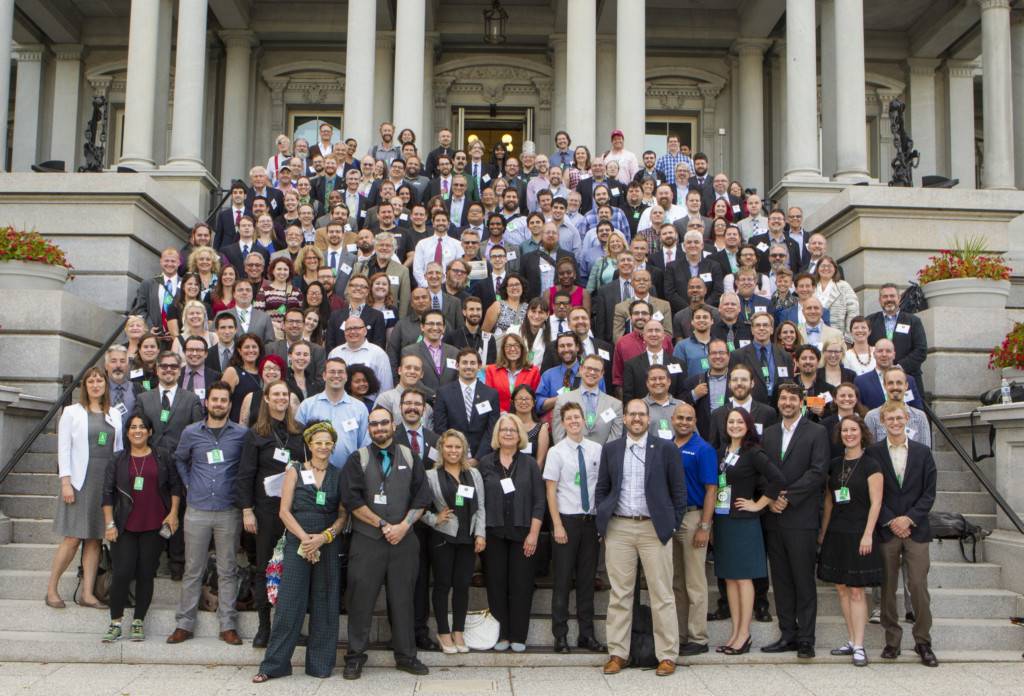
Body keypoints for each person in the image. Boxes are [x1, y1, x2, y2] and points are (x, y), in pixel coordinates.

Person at [596, 399, 687, 677]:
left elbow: (678, 493)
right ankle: (617, 653)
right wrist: (604, 521)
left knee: (662, 594)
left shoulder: (666, 449)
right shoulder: (611, 449)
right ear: (624, 419)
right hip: (619, 529)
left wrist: (670, 526)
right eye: (632, 414)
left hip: (653, 529)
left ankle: (667, 655)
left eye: (641, 414)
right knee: (620, 595)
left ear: (649, 419)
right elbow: (602, 488)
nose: (636, 418)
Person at [339, 407, 432, 679]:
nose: (379, 428)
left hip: (403, 541)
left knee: (403, 601)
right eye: (374, 424)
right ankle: (355, 657)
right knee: (360, 601)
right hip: (368, 541)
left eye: (384, 423)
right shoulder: (358, 459)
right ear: (368, 428)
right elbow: (352, 500)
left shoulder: (410, 457)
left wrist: (403, 526)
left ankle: (406, 656)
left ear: (393, 425)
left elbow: (422, 498)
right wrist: (381, 525)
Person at [252, 421, 347, 682]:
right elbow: (283, 511)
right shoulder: (294, 470)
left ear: (334, 445)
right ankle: (274, 665)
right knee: (289, 604)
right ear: (309, 444)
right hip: (298, 541)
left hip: (327, 542)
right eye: (318, 442)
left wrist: (325, 537)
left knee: (325, 603)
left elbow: (343, 515)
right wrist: (306, 540)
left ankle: (319, 665)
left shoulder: (339, 474)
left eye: (328, 442)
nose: (323, 447)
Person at [168, 381, 249, 646]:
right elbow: (179, 458)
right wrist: (189, 482)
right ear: (207, 402)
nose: (218, 404)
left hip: (228, 510)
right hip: (197, 509)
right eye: (214, 399)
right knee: (193, 568)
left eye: (223, 400)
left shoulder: (241, 434)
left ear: (229, 404)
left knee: (227, 568)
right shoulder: (191, 432)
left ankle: (227, 624)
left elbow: (248, 467)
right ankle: (184, 623)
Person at [760, 382, 830, 658]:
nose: (787, 402)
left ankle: (806, 638)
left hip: (801, 517)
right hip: (775, 518)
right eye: (783, 398)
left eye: (792, 398)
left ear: (801, 402)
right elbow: (762, 470)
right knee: (781, 580)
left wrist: (787, 496)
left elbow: (818, 471)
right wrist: (772, 498)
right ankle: (787, 633)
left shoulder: (817, 432)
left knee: (803, 580)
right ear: (778, 402)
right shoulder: (768, 434)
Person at [867, 400, 939, 667]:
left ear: (907, 419)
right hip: (887, 529)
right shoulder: (873, 453)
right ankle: (892, 641)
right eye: (890, 419)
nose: (895, 423)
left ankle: (923, 641)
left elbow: (929, 492)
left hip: (916, 529)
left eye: (899, 418)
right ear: (882, 423)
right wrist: (890, 520)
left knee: (918, 586)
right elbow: (873, 492)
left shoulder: (922, 452)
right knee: (887, 587)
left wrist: (909, 519)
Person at [47, 367, 124, 609]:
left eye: (100, 380)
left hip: (105, 483)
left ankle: (88, 594)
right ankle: (51, 590)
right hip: (80, 482)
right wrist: (65, 481)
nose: (95, 384)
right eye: (91, 381)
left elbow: (119, 448)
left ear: (105, 385)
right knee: (72, 539)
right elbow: (64, 449)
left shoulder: (114, 413)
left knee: (94, 540)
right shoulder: (71, 412)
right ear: (85, 386)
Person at [100, 413, 181, 642]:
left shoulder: (163, 456)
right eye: (133, 427)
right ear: (127, 433)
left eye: (142, 427)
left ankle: (138, 621)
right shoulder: (117, 460)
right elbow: (107, 494)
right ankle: (115, 622)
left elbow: (175, 486)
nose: (138, 431)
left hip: (154, 525)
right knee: (122, 573)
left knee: (146, 573)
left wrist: (173, 513)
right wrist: (109, 524)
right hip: (124, 525)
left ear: (150, 431)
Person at [236, 380, 306, 648]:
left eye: (284, 395)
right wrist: (246, 511)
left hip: (294, 511)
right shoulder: (256, 434)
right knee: (265, 567)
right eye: (275, 394)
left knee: (293, 569)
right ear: (265, 399)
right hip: (266, 512)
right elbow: (245, 475)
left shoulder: (298, 432)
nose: (280, 399)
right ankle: (264, 628)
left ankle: (290, 626)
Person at [712, 408, 785, 655]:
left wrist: (758, 504)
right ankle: (735, 632)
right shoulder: (723, 451)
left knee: (743, 578)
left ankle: (745, 634)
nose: (734, 425)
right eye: (731, 421)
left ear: (748, 425)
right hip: (724, 520)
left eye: (739, 422)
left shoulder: (754, 452)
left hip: (744, 522)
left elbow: (777, 479)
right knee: (730, 578)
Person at [817, 415, 883, 667]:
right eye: (845, 430)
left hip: (860, 533)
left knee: (856, 590)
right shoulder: (835, 464)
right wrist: (823, 532)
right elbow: (829, 500)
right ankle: (851, 639)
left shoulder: (871, 464)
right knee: (841, 588)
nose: (849, 434)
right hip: (836, 532)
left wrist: (868, 534)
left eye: (853, 429)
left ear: (862, 432)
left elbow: (876, 503)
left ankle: (860, 645)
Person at [478, 413, 545, 652]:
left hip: (523, 533)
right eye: (504, 429)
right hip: (493, 532)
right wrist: (480, 534)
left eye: (513, 430)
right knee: (496, 585)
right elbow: (479, 501)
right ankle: (501, 634)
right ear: (497, 434)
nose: (508, 433)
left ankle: (518, 635)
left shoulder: (529, 464)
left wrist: (534, 534)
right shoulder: (485, 463)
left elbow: (539, 501)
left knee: (521, 585)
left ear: (520, 436)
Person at [544, 402, 605, 654]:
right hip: (566, 522)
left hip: (589, 523)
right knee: (561, 581)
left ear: (584, 420)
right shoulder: (556, 452)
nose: (574, 422)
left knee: (586, 581)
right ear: (563, 422)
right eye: (569, 418)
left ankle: (586, 635)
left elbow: (602, 486)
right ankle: (560, 636)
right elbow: (550, 491)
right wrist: (557, 524)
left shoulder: (596, 450)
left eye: (577, 417)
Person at [421, 429, 486, 654]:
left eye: (458, 447)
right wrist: (434, 519)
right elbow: (419, 508)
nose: (453, 451)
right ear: (441, 449)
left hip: (467, 539)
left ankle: (458, 631)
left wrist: (480, 534)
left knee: (462, 587)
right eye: (449, 446)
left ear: (464, 449)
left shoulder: (474, 475)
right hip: (443, 538)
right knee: (442, 586)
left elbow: (481, 507)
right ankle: (443, 631)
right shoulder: (431, 476)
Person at [670, 402, 718, 656]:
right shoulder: (666, 446)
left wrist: (704, 526)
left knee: (695, 582)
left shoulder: (703, 449)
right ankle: (679, 634)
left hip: (692, 517)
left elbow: (712, 489)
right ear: (672, 419)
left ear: (695, 421)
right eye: (680, 418)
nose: (684, 422)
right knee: (676, 582)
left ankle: (698, 637)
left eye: (689, 418)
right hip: (670, 519)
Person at [295, 358, 371, 469]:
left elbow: (364, 445)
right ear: (324, 375)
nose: (336, 375)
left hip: (348, 473)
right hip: (314, 474)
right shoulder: (307, 406)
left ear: (346, 377)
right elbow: (297, 443)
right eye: (332, 372)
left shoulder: (359, 408)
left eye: (340, 372)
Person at [433, 348, 501, 463]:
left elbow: (492, 430)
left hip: (483, 459)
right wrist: (455, 453)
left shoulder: (491, 394)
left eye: (473, 363)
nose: (468, 366)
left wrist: (478, 458)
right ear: (457, 365)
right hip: (452, 458)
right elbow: (440, 428)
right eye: (464, 362)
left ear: (479, 366)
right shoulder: (443, 393)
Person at [866, 283, 928, 392]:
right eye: (885, 296)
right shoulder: (870, 321)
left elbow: (921, 350)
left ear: (899, 298)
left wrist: (899, 367)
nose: (889, 299)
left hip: (908, 377)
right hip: (878, 380)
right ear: (880, 300)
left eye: (892, 296)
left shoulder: (913, 321)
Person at [551, 354, 623, 446]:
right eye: (588, 368)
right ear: (581, 370)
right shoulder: (563, 400)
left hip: (602, 458)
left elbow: (615, 438)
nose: (592, 372)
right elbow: (559, 436)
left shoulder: (615, 405)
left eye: (596, 370)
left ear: (602, 374)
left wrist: (602, 457)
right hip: (570, 458)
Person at [484, 333, 541, 413]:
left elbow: (535, 399)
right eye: (508, 346)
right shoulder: (491, 370)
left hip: (524, 418)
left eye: (516, 345)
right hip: (498, 418)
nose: (513, 349)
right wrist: (502, 414)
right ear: (503, 349)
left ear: (522, 349)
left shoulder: (533, 371)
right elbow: (487, 398)